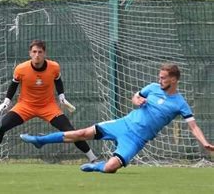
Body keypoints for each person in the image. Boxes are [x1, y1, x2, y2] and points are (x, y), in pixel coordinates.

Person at [20, 63, 214, 173]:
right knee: (81, 133)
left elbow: (194, 126)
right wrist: (137, 100)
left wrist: (204, 143)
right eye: (160, 76)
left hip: (136, 139)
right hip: (123, 124)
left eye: (163, 77)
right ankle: (40, 140)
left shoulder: (180, 103)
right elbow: (135, 96)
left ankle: (97, 166)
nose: (160, 79)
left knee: (110, 168)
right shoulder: (153, 88)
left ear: (174, 79)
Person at [0, 39, 97, 164]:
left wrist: (61, 96)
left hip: (48, 106)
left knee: (70, 131)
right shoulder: (21, 69)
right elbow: (13, 85)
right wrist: (7, 101)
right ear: (30, 53)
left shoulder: (54, 67)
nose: (37, 55)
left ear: (44, 53)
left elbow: (58, 79)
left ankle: (93, 158)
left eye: (40, 52)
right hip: (24, 106)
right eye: (34, 52)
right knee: (0, 127)